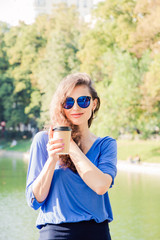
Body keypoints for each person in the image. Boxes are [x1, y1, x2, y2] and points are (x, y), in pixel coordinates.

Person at [26, 72, 117, 240]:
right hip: (55, 232)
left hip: (96, 233)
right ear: (61, 106)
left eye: (83, 101)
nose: (76, 108)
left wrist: (70, 146)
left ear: (94, 104)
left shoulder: (106, 144)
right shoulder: (43, 141)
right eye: (69, 102)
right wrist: (52, 160)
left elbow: (100, 186)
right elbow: (35, 200)